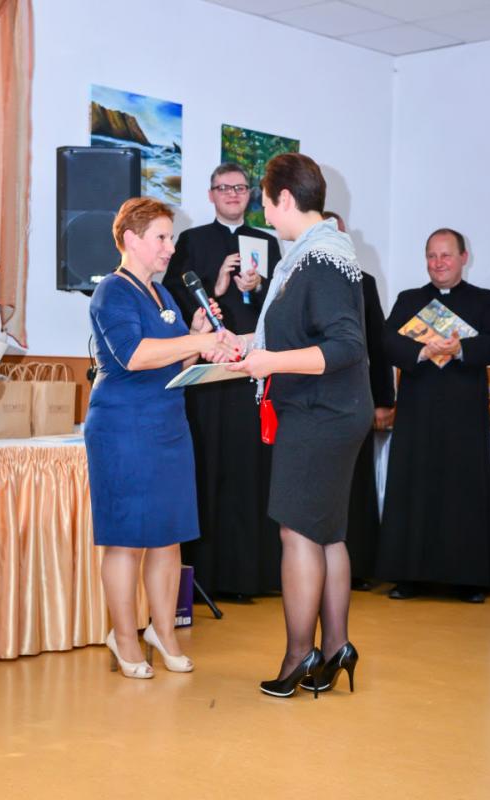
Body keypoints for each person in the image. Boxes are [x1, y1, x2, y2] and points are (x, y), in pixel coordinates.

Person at [228, 153, 374, 697]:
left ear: (285, 198)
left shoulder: (320, 260)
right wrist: (247, 344)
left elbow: (345, 346)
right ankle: (335, 648)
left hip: (320, 412)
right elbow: (297, 335)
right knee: (327, 532)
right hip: (329, 408)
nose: (265, 216)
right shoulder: (316, 255)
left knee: (297, 531)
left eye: (265, 205)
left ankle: (298, 655)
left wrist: (269, 362)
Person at [84, 197, 234, 679]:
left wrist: (196, 334)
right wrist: (199, 340)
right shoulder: (112, 291)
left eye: (171, 238)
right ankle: (124, 637)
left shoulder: (163, 294)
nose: (171, 248)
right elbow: (133, 355)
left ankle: (163, 633)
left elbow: (175, 360)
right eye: (162, 238)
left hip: (169, 425)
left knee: (169, 538)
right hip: (123, 428)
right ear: (131, 239)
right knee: (127, 541)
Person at [163, 162, 282, 599]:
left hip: (252, 370)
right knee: (209, 467)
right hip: (210, 377)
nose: (233, 194)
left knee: (252, 470)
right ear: (211, 194)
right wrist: (215, 286)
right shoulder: (191, 241)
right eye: (224, 187)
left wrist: (258, 285)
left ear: (251, 194)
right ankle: (207, 577)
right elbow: (173, 301)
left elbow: (280, 305)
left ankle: (253, 575)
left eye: (240, 187)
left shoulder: (267, 242)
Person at [376, 228, 490, 603]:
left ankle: (468, 580)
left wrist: (459, 348)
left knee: (463, 492)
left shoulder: (484, 300)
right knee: (413, 489)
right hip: (417, 414)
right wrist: (421, 351)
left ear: (464, 257)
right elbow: (387, 340)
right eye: (432, 256)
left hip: (464, 416)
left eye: (446, 255)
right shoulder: (409, 299)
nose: (438, 263)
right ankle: (408, 576)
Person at [323, 213, 395, 590]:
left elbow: (377, 345)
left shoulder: (363, 282)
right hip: (311, 400)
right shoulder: (293, 280)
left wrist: (383, 399)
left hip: (355, 397)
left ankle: (360, 566)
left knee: (358, 482)